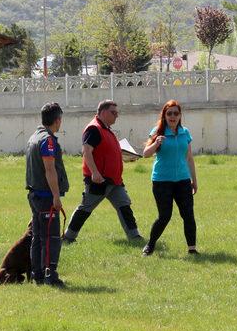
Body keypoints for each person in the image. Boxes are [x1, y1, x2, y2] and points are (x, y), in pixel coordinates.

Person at [63, 99, 142, 243]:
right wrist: (95, 172)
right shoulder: (94, 129)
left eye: (117, 113)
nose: (116, 116)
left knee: (124, 206)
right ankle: (68, 237)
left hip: (114, 180)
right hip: (99, 180)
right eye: (113, 113)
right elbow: (87, 151)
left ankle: (134, 236)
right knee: (85, 208)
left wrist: (126, 158)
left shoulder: (105, 129)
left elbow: (106, 152)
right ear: (104, 112)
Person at [141, 100, 198, 256]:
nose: (173, 116)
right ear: (164, 116)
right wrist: (156, 143)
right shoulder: (158, 131)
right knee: (164, 216)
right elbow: (145, 154)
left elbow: (189, 158)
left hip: (183, 180)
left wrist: (194, 180)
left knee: (188, 214)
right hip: (162, 180)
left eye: (176, 113)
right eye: (169, 113)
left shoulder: (185, 132)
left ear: (180, 115)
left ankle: (192, 249)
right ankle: (150, 246)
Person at [26, 103, 69, 287]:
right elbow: (49, 169)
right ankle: (50, 275)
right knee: (51, 237)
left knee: (38, 236)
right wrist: (56, 196)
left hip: (34, 194)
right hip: (45, 196)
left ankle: (37, 274)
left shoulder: (34, 136)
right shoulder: (48, 140)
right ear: (57, 120)